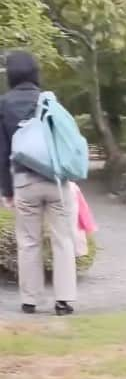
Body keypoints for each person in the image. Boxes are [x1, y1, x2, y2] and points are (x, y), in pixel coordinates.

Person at [0, 50, 77, 316]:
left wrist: (7, 191)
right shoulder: (49, 101)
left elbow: (2, 152)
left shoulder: (4, 104)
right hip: (56, 180)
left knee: (29, 241)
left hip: (24, 181)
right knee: (62, 239)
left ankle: (30, 300)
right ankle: (64, 300)